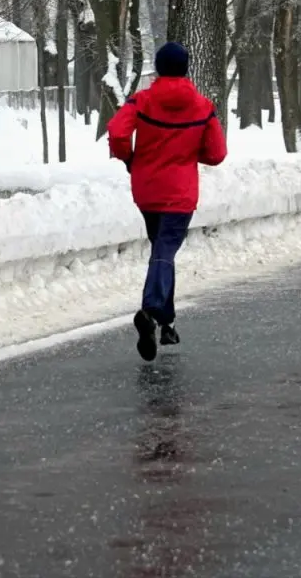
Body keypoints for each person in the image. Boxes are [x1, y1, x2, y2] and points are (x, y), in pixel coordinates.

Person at [107, 42, 227, 361]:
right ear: (187, 67)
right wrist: (188, 154)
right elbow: (217, 154)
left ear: (158, 67)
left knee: (162, 250)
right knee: (165, 250)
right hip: (180, 192)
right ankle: (151, 309)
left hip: (146, 189)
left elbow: (117, 132)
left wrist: (129, 158)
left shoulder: (141, 100)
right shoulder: (202, 107)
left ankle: (167, 323)